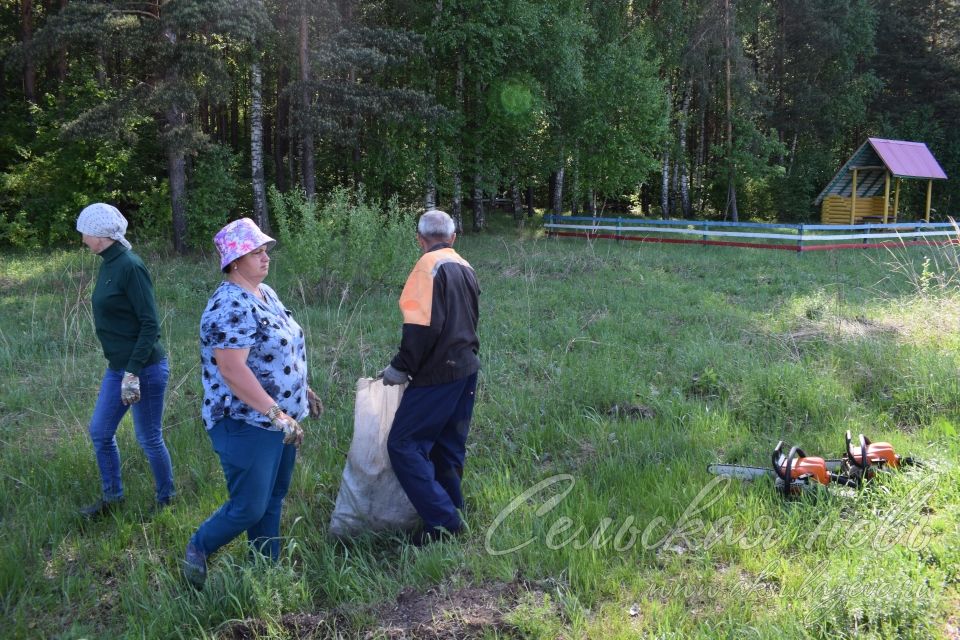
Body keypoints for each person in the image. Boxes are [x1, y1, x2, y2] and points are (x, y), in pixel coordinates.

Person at [183, 217, 322, 589]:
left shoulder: (266, 293)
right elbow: (231, 370)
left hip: (279, 419)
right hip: (245, 421)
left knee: (273, 496)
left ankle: (265, 568)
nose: (264, 258)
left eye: (264, 250)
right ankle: (198, 548)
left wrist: (302, 390)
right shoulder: (228, 305)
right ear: (233, 262)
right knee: (249, 506)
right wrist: (276, 413)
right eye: (254, 252)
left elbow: (282, 349)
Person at [381, 209, 480, 546]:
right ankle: (454, 509)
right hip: (467, 369)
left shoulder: (426, 268)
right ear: (452, 238)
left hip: (438, 372)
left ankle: (443, 521)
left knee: (403, 445)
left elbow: (420, 328)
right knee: (446, 448)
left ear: (420, 240)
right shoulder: (466, 266)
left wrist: (401, 366)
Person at [76, 203, 175, 518]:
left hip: (143, 369)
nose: (82, 238)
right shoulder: (108, 262)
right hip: (119, 368)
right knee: (100, 431)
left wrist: (132, 371)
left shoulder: (130, 266)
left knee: (148, 437)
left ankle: (165, 499)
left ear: (101, 235)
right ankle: (112, 499)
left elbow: (150, 324)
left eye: (85, 232)